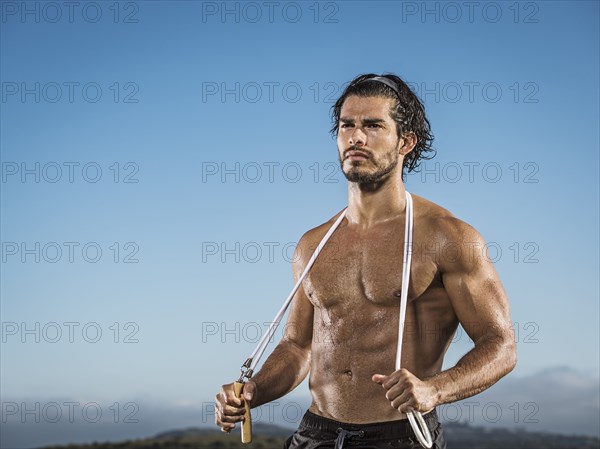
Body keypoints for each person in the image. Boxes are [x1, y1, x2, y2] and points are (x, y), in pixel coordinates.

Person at [214, 73, 517, 449]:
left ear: (406, 142)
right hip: (315, 433)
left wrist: (433, 390)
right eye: (347, 126)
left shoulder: (448, 237)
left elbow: (500, 344)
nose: (355, 137)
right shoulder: (313, 244)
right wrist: (253, 391)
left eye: (373, 125)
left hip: (399, 435)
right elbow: (297, 347)